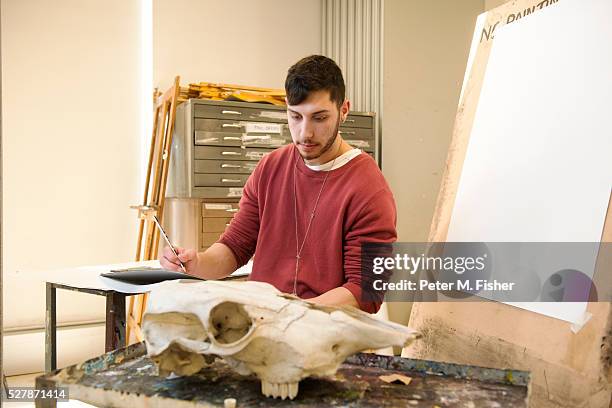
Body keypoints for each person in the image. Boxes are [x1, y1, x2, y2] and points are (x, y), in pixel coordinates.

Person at [160, 55, 397, 313]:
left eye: (319, 118)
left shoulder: (368, 187)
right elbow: (234, 247)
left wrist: (291, 311)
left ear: (344, 111)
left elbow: (365, 290)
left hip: (327, 337)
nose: (305, 133)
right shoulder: (270, 168)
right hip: (267, 327)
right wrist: (196, 263)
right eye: (295, 117)